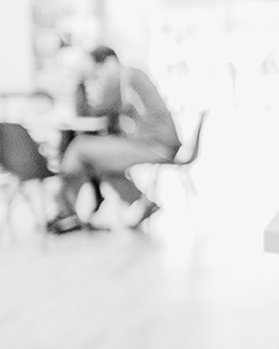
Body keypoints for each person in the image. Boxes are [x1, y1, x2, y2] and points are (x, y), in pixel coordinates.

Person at [46, 45, 181, 234]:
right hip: (156, 142)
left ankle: (63, 209)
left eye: (99, 69)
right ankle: (141, 203)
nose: (99, 75)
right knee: (95, 160)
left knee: (79, 148)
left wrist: (81, 82)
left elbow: (95, 109)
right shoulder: (133, 75)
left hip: (155, 145)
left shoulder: (121, 77)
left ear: (109, 62)